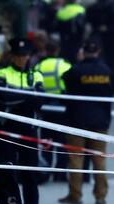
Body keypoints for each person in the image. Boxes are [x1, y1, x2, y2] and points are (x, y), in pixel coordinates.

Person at [0, 38, 45, 204]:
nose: (22, 59)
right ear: (13, 56)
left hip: (28, 130)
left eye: (25, 55)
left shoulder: (36, 74)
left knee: (30, 175)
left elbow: (40, 100)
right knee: (6, 173)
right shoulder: (2, 72)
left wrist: (15, 98)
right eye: (19, 56)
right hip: (7, 128)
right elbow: (1, 97)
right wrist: (28, 97)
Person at [58, 37, 113, 204]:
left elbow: (65, 82)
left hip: (77, 121)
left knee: (76, 159)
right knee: (99, 159)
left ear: (83, 52)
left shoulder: (75, 70)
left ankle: (75, 195)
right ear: (98, 52)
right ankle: (101, 195)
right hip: (100, 121)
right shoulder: (106, 71)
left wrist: (79, 61)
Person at [35, 39, 72, 180]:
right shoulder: (65, 65)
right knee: (62, 141)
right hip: (62, 107)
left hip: (45, 107)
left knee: (46, 141)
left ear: (46, 50)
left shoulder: (39, 65)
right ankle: (60, 174)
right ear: (57, 50)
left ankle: (46, 170)